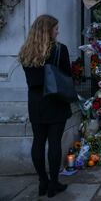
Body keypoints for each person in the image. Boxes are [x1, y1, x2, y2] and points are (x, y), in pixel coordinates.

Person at [18, 15, 71, 198]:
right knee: (54, 142)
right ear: (48, 30)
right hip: (55, 100)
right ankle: (53, 183)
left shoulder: (26, 51)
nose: (58, 31)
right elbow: (67, 75)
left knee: (38, 141)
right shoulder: (59, 49)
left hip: (36, 102)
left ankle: (43, 181)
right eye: (56, 28)